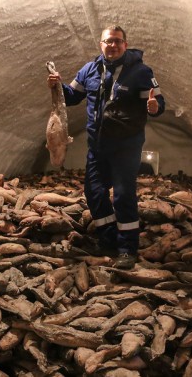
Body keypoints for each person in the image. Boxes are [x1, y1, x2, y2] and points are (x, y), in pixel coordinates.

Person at [47, 25, 165, 269]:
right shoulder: (89, 70)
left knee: (123, 195)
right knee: (94, 193)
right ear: (100, 44)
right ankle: (109, 240)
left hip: (126, 146)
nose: (113, 45)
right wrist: (57, 86)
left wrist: (154, 107)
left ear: (125, 44)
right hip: (97, 146)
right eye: (108, 41)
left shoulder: (141, 72)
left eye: (118, 41)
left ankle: (127, 249)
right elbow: (71, 97)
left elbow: (157, 101)